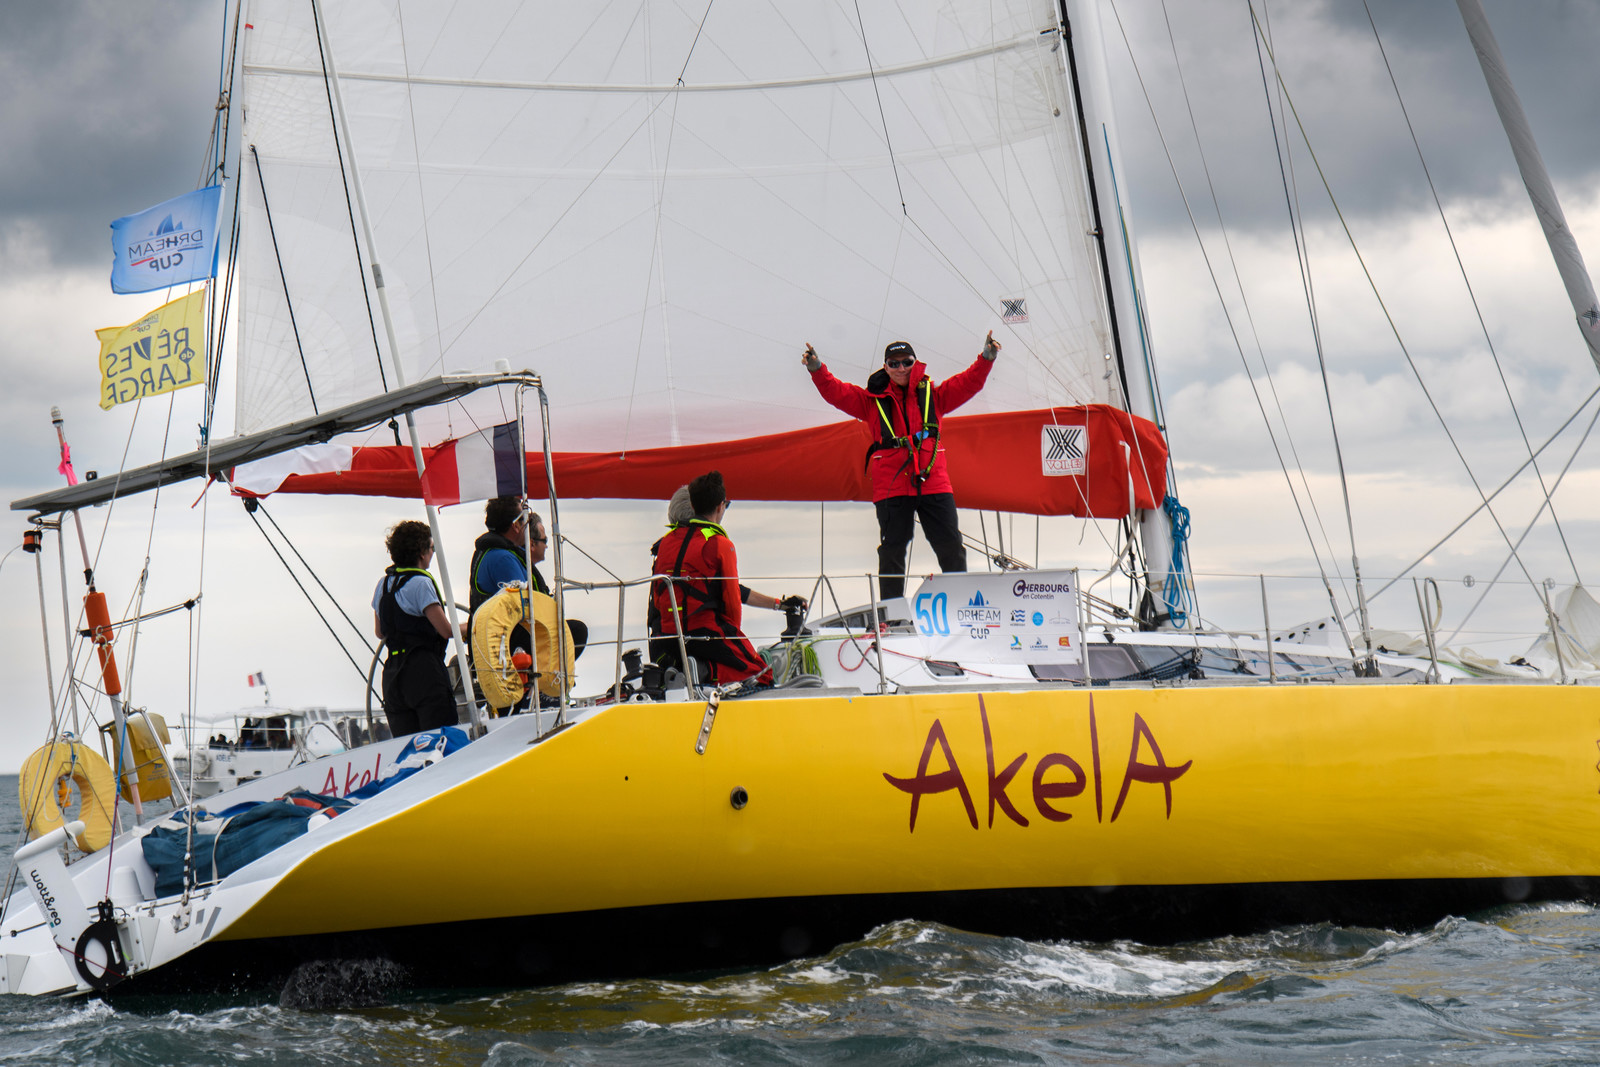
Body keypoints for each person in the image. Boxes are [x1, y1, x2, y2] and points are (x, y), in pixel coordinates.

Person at [802, 332, 1000, 601]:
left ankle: (960, 606)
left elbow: (968, 383)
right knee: (892, 550)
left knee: (950, 545)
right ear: (885, 367)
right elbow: (837, 393)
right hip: (892, 485)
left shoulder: (935, 395)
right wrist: (817, 369)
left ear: (915, 363)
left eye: (906, 362)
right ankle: (891, 614)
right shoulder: (870, 401)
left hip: (933, 482)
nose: (901, 368)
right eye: (894, 364)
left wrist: (986, 358)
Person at [648, 471, 797, 687]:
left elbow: (659, 597)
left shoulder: (666, 543)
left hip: (668, 638)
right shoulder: (719, 544)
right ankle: (705, 671)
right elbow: (732, 601)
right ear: (720, 506)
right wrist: (733, 638)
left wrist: (778, 604)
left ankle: (697, 671)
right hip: (706, 633)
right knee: (761, 675)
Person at [468, 497, 588, 658]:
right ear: (516, 525)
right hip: (506, 641)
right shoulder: (503, 559)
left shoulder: (498, 554)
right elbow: (524, 606)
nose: (528, 522)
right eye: (525, 517)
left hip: (504, 635)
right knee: (577, 631)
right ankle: (548, 672)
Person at [373, 519, 461, 737]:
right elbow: (446, 631)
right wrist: (475, 626)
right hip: (424, 672)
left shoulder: (383, 585)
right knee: (440, 739)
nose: (433, 553)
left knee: (408, 746)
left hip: (392, 676)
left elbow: (380, 632)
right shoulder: (420, 584)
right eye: (432, 548)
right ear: (422, 553)